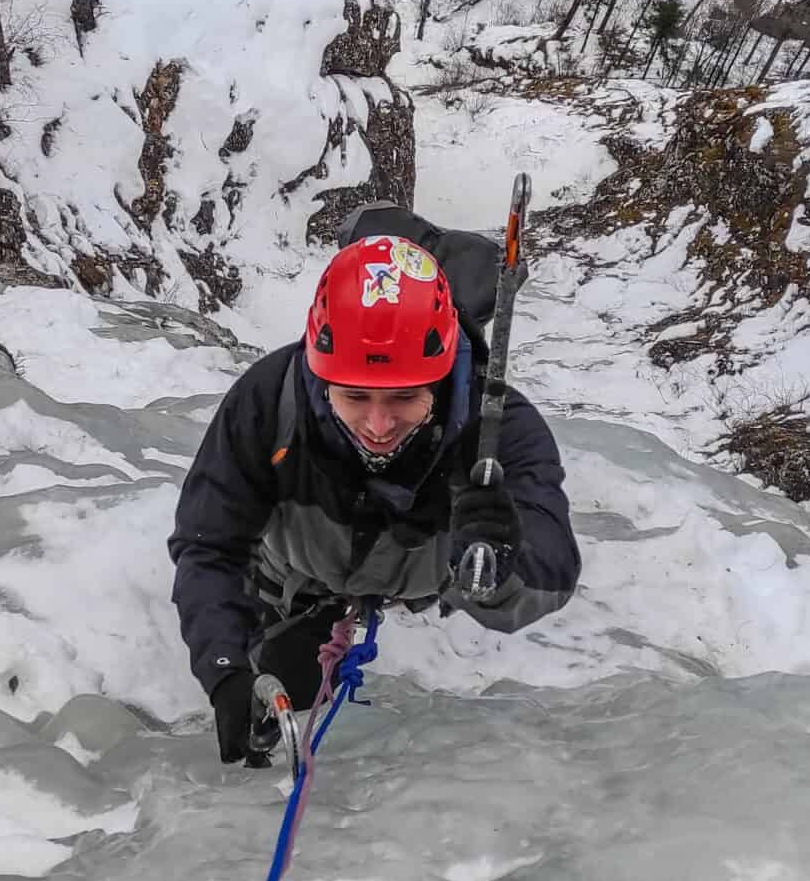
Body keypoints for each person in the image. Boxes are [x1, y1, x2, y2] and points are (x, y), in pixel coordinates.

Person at [169, 219, 580, 764]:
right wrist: (224, 671)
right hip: (295, 576)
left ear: (438, 378)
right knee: (273, 690)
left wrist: (500, 563)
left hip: (416, 576)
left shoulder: (500, 429)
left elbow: (552, 567)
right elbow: (209, 542)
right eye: (356, 397)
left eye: (405, 398)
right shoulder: (269, 401)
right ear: (322, 376)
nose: (379, 425)